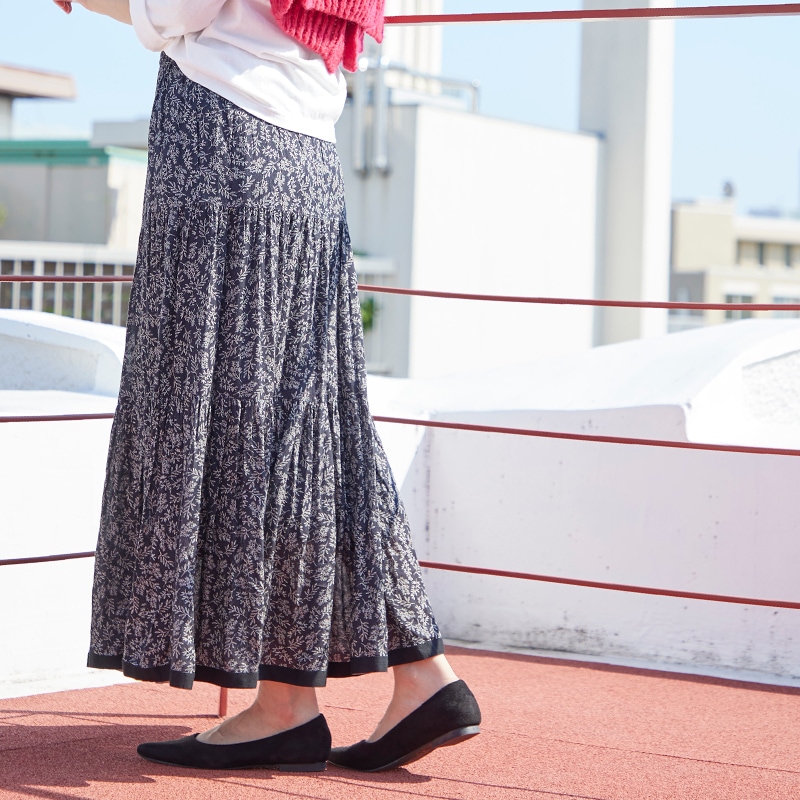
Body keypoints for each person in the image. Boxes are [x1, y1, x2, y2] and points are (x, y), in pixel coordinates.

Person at [54, 0, 481, 773]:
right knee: (311, 428)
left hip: (226, 148)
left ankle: (293, 705)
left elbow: (176, 8)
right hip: (306, 160)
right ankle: (413, 675)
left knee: (235, 425)